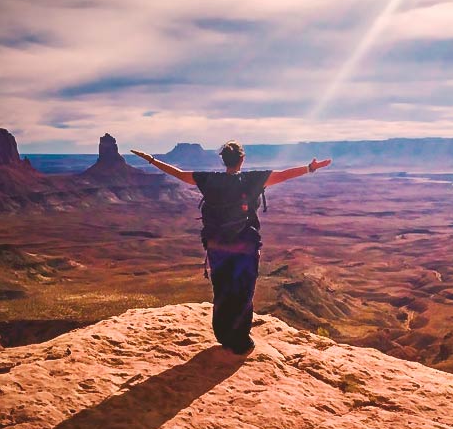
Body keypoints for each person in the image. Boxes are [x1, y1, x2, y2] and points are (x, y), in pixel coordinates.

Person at [131, 141, 331, 354]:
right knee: (244, 291)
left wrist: (151, 160)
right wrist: (310, 168)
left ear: (223, 160)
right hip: (245, 245)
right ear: (242, 159)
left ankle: (223, 335)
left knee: (222, 288)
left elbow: (179, 174)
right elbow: (283, 175)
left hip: (217, 246)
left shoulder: (211, 180)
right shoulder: (251, 180)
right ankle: (240, 339)